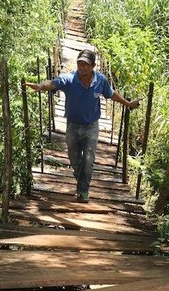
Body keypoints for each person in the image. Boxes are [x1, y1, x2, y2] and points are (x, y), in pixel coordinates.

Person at [25, 49, 140, 202]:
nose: (81, 66)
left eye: (85, 64)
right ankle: (81, 178)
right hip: (72, 125)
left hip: (91, 127)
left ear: (93, 66)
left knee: (88, 160)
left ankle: (83, 190)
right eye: (79, 63)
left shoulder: (100, 80)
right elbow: (53, 83)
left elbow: (111, 93)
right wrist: (41, 85)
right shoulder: (70, 79)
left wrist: (127, 103)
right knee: (73, 159)